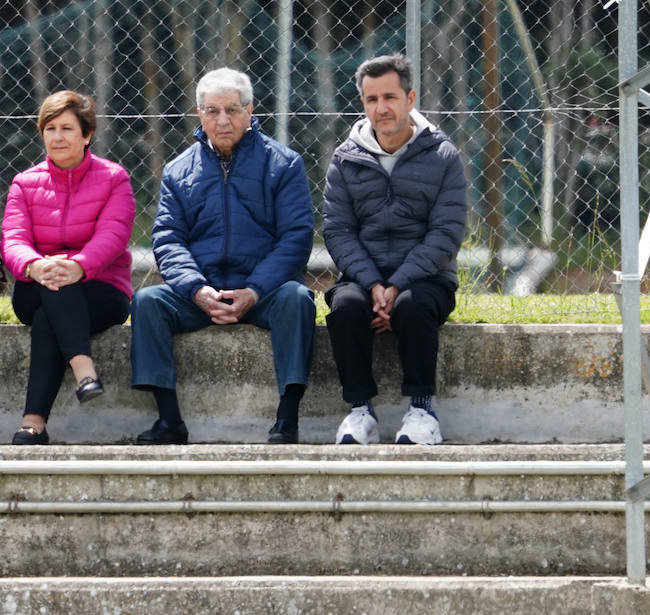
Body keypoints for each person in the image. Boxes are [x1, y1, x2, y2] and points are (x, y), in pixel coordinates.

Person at [130, 67, 316, 445]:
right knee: (147, 301)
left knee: (298, 299)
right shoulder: (178, 170)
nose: (223, 120)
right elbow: (167, 240)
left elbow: (296, 238)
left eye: (232, 109)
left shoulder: (283, 164)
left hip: (264, 293)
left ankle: (287, 417)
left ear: (250, 110)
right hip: (200, 295)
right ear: (199, 114)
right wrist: (197, 290)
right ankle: (169, 421)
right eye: (212, 111)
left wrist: (255, 290)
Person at [322, 53, 467, 446]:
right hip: (362, 279)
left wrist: (397, 284)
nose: (381, 108)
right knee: (346, 306)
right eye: (371, 100)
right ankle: (359, 412)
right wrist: (372, 284)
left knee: (411, 306)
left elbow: (446, 232)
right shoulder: (345, 159)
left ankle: (422, 412)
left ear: (410, 98)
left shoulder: (442, 156)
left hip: (425, 279)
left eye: (390, 97)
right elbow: (337, 231)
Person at [0, 90, 135, 445]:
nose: (57, 137)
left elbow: (114, 235)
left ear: (87, 134)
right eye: (50, 129)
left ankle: (33, 423)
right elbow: (12, 240)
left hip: (101, 290)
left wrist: (79, 265)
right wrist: (34, 265)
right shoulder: (24, 183)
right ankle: (84, 372)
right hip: (36, 284)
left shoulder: (114, 178)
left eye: (67, 129)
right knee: (54, 286)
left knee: (51, 314)